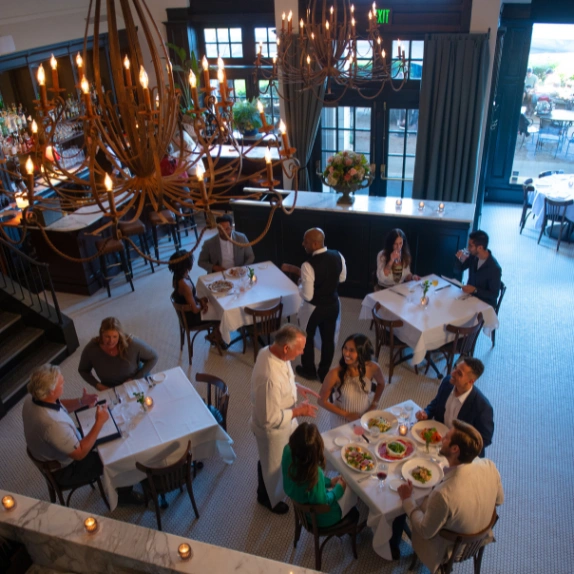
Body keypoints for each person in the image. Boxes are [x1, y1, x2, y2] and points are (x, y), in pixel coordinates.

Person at [23, 364, 144, 506]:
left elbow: (59, 404)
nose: (64, 383)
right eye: (61, 384)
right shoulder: (53, 424)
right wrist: (99, 423)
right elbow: (80, 454)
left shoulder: (32, 399)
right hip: (67, 469)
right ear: (50, 391)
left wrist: (82, 402)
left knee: (114, 435)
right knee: (116, 456)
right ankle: (124, 496)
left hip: (59, 445)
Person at [398, 420, 504, 573]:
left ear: (455, 449)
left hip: (452, 546)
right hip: (480, 537)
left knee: (414, 506)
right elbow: (499, 500)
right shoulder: (489, 465)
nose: (441, 438)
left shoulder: (443, 494)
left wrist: (407, 500)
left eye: (446, 437)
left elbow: (425, 530)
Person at [251, 324, 320, 514]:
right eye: (300, 348)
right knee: (273, 463)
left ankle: (270, 486)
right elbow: (269, 418)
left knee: (281, 457)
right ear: (287, 348)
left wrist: (296, 386)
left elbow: (285, 377)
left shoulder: (271, 351)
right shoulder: (269, 378)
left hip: (285, 418)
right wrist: (299, 411)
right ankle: (268, 498)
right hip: (272, 429)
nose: (303, 352)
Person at [282, 422, 357, 527]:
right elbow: (324, 502)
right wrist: (338, 490)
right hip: (320, 517)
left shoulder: (287, 450)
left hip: (299, 498)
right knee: (352, 489)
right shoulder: (315, 473)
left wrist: (329, 482)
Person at [296, 228, 347, 383]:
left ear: (315, 243)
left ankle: (309, 370)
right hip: (333, 305)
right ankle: (324, 372)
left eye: (306, 241)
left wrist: (300, 287)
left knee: (307, 337)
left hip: (314, 309)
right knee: (328, 339)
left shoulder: (307, 265)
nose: (303, 244)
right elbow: (343, 278)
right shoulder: (338, 255)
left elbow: (308, 295)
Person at [416, 357, 493, 457]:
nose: (453, 373)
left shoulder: (483, 407)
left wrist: (458, 445)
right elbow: (436, 403)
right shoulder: (447, 382)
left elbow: (484, 439)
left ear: (471, 381)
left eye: (459, 373)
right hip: (438, 439)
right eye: (455, 368)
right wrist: (426, 413)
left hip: (461, 453)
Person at [318, 334, 386, 428]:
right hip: (341, 421)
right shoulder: (334, 373)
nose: (346, 353)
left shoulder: (373, 367)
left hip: (364, 417)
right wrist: (347, 415)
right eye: (345, 348)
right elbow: (321, 401)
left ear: (362, 353)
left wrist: (374, 405)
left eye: (351, 350)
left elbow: (381, 384)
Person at [78, 317, 158, 390]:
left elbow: (154, 357)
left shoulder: (132, 344)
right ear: (101, 334)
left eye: (115, 336)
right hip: (111, 389)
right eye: (107, 336)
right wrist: (97, 385)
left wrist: (135, 378)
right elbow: (83, 370)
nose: (111, 341)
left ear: (119, 335)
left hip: (136, 383)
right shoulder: (91, 349)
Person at [168, 249, 226, 348]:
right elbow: (195, 310)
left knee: (213, 303)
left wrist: (199, 300)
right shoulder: (184, 285)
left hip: (186, 310)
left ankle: (215, 335)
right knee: (220, 311)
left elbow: (188, 297)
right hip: (191, 317)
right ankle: (214, 336)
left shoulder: (178, 276)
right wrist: (202, 305)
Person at [454, 230, 501, 308]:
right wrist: (459, 259)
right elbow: (457, 270)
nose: (468, 248)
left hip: (484, 304)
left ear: (480, 248)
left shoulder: (495, 268)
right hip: (470, 298)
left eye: (470, 246)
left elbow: (493, 295)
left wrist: (475, 290)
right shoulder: (473, 257)